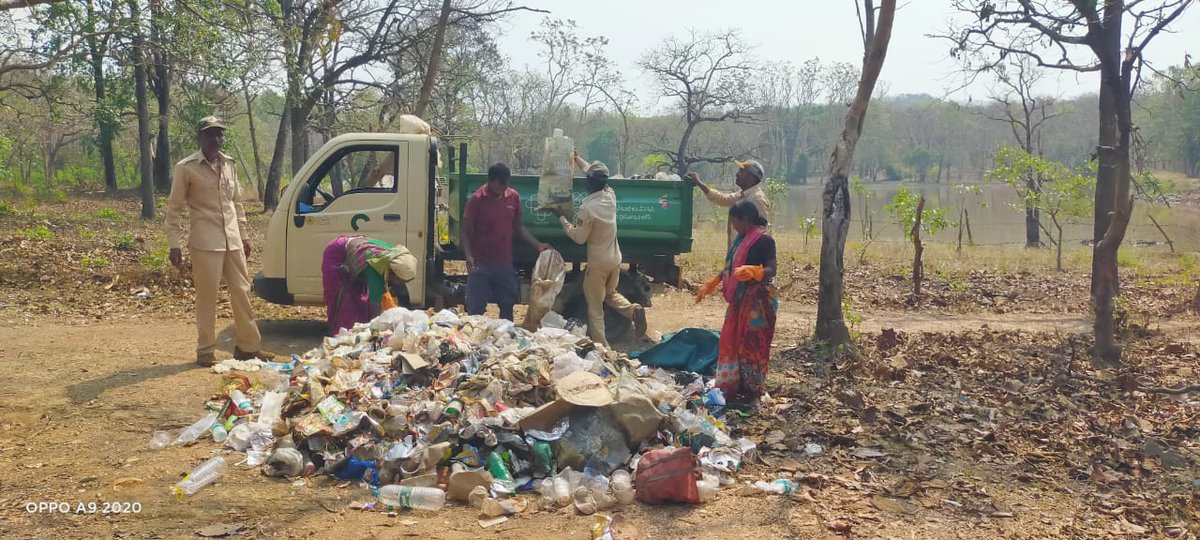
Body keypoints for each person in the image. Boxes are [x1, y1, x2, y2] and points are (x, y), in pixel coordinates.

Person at [166, 116, 274, 366]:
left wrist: (244, 235)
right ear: (200, 137)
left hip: (233, 239)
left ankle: (248, 347)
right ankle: (205, 351)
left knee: (242, 291)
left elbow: (236, 203)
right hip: (205, 241)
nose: (215, 139)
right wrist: (174, 243)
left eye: (219, 134)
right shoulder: (187, 167)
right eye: (210, 134)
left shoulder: (229, 164)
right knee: (207, 296)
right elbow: (174, 209)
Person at [555, 159, 647, 347]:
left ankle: (602, 348)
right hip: (615, 259)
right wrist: (577, 158)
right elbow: (593, 171)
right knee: (610, 293)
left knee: (595, 309)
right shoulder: (610, 195)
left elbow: (579, 238)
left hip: (598, 265)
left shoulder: (588, 208)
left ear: (589, 183)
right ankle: (632, 310)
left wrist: (562, 219)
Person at [697, 200, 778, 410]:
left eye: (735, 222)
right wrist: (714, 281)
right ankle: (737, 386)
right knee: (733, 341)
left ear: (746, 220)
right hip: (739, 299)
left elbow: (772, 268)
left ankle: (754, 392)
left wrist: (757, 271)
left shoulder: (764, 241)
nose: (734, 226)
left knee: (753, 345)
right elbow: (731, 267)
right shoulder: (740, 241)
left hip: (758, 300)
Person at [461, 163, 550, 321]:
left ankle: (506, 337)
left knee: (508, 303)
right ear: (490, 181)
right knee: (476, 308)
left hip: (504, 262)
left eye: (505, 183)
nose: (503, 187)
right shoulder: (477, 200)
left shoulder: (513, 197)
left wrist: (537, 245)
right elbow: (466, 232)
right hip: (481, 263)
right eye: (500, 183)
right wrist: (469, 256)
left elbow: (518, 227)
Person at [321, 235, 417, 335]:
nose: (399, 284)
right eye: (399, 280)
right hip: (337, 254)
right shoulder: (376, 270)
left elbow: (385, 298)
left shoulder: (394, 257)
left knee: (361, 305)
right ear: (392, 272)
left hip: (354, 256)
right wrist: (375, 331)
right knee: (344, 305)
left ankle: (355, 334)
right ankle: (338, 339)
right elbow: (374, 309)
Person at [685, 160, 771, 246]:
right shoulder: (741, 195)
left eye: (742, 171)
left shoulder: (757, 199)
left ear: (751, 177)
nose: (737, 174)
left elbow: (760, 232)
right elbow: (722, 198)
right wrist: (698, 183)